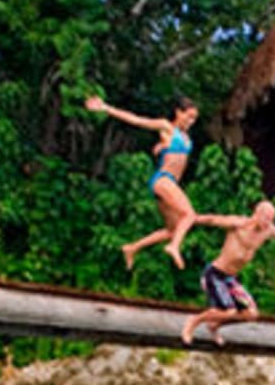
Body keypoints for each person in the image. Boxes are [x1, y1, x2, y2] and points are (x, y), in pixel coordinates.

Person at [180, 201, 275, 345]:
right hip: (215, 274)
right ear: (257, 213)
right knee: (229, 311)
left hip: (230, 279)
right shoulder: (239, 224)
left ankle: (214, 325)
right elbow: (213, 220)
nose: (268, 222)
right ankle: (193, 321)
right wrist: (192, 218)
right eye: (266, 218)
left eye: (271, 219)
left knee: (251, 314)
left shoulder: (267, 231)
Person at [85, 94, 201, 270]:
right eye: (189, 116)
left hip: (169, 185)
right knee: (189, 215)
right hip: (164, 180)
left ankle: (132, 248)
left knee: (172, 230)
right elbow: (137, 120)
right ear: (178, 112)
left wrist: (162, 147)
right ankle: (174, 247)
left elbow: (172, 151)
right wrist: (106, 108)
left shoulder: (184, 137)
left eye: (194, 118)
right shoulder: (166, 127)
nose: (191, 121)